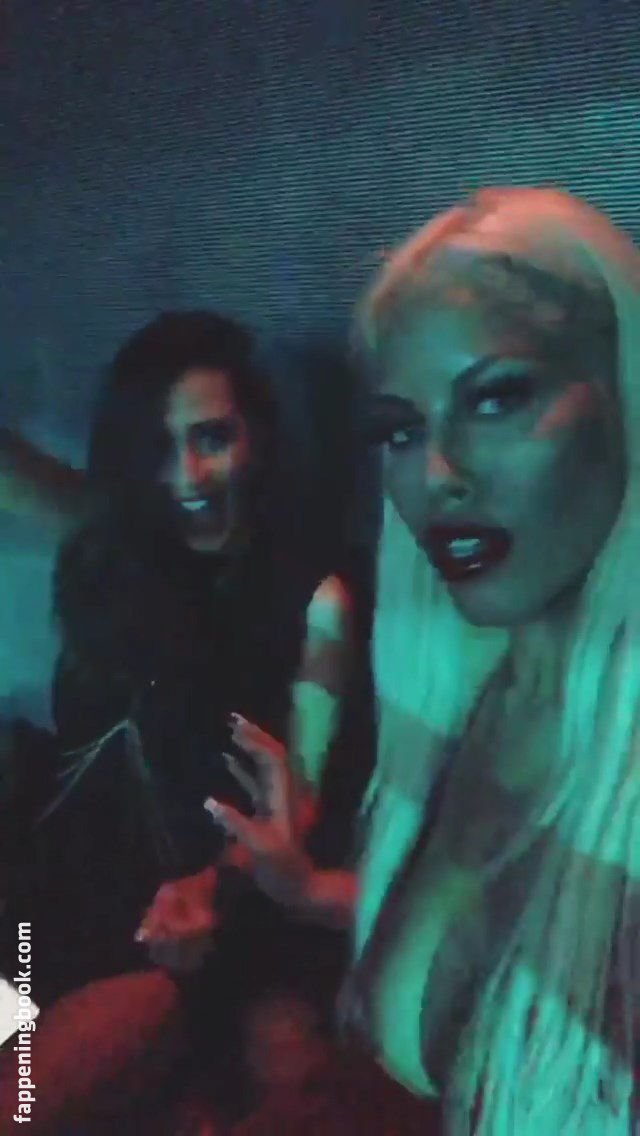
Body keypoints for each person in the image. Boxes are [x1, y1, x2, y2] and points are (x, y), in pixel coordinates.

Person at [209, 188, 640, 1134]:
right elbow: (484, 949)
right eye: (401, 430)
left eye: (496, 398)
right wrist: (309, 892)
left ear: (625, 395)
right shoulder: (463, 683)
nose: (438, 474)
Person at [0, 311, 353, 1129]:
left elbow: (296, 802)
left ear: (258, 437)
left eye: (212, 437)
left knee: (21, 1101)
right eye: (158, 449)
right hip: (47, 899)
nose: (187, 476)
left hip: (179, 922)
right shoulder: (116, 553)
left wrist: (209, 888)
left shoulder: (316, 600)